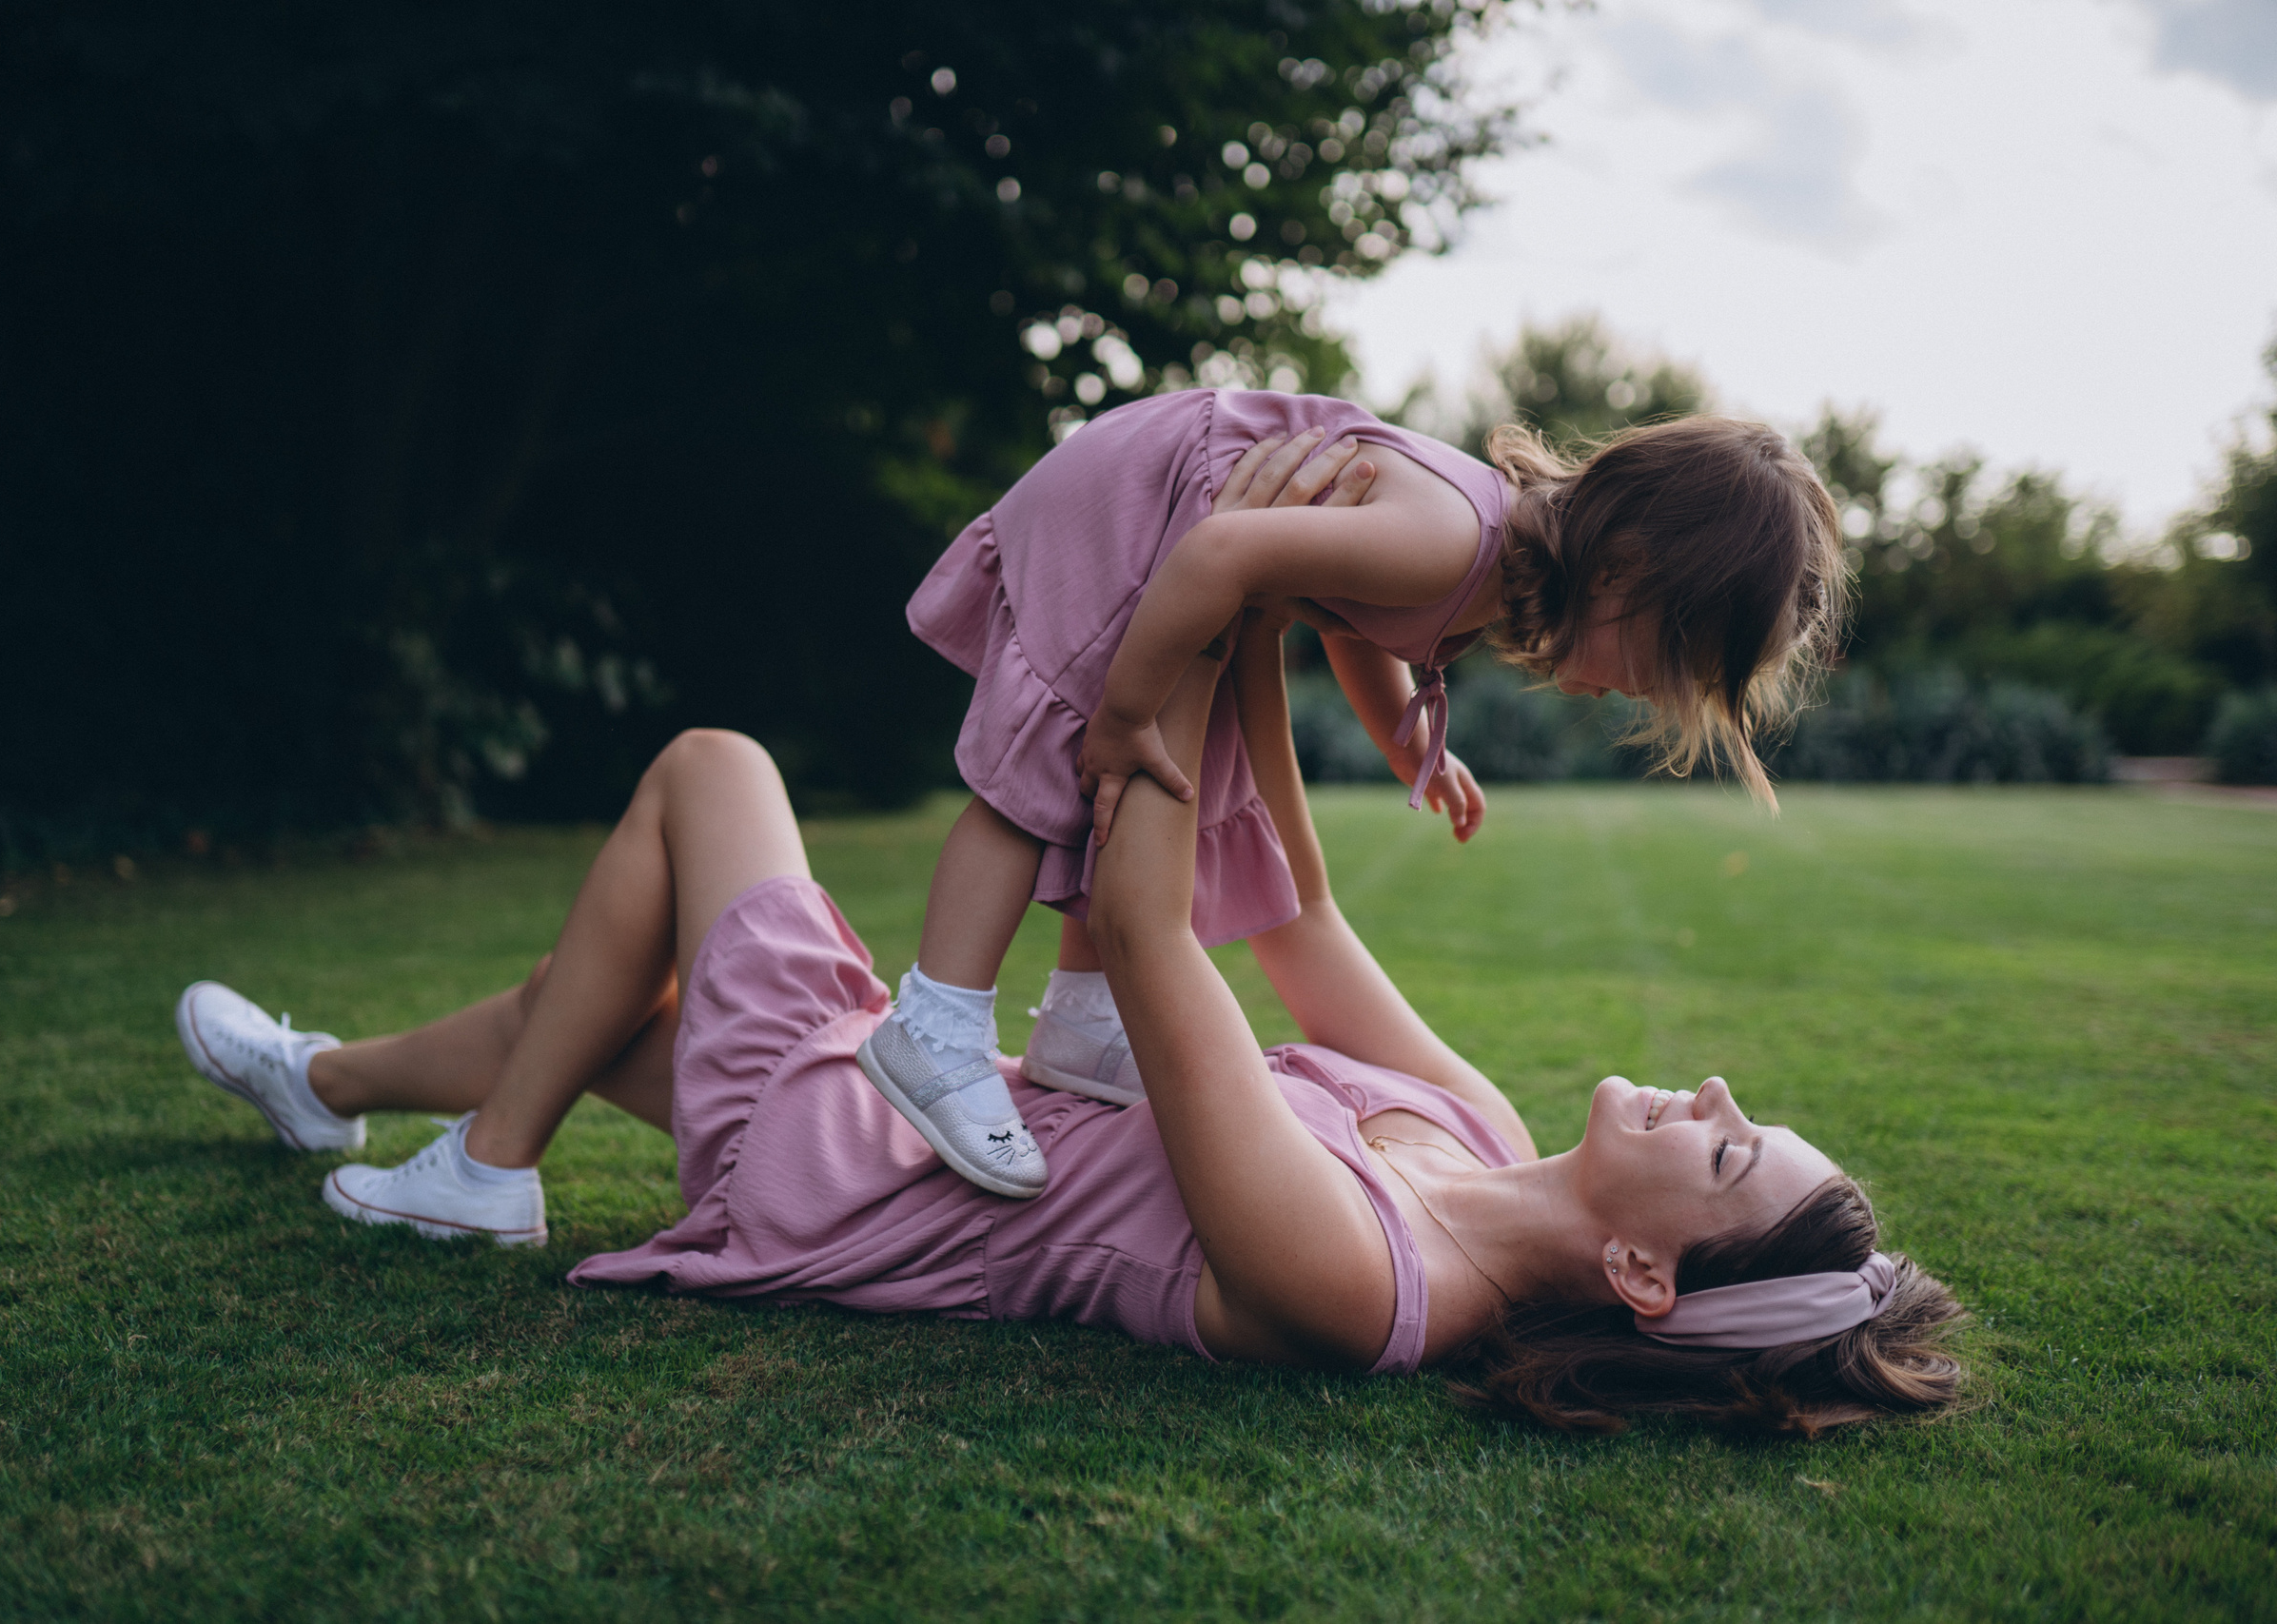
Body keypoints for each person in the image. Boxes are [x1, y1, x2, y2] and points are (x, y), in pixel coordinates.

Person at [172, 638, 1958, 1438]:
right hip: (943, 1108)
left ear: (1645, 1273)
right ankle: (318, 1082)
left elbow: (1167, 946)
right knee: (611, 1007)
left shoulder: (1365, 1286)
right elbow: (1303, 919)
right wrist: (1264, 608)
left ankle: (460, 1165)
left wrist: (1176, 618)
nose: (1716, 1093)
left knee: (713, 774)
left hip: (848, 1180)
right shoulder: (1469, 1127)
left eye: (1728, 1144)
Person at [870, 389, 1847, 1199]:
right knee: (1053, 775)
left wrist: (1407, 739)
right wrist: (1121, 711)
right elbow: (1224, 556)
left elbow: (1352, 624)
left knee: (1163, 784)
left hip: (1188, 525)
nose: (1642, 692)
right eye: (1659, 662)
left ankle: (1084, 1023)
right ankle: (933, 1028)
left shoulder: (1483, 569)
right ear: (1627, 568)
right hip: (1142, 505)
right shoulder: (1449, 539)